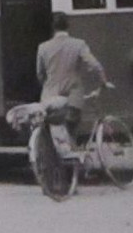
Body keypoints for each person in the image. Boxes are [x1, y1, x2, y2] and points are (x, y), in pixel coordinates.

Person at [34, 12, 113, 153]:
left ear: (53, 28)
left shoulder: (43, 47)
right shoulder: (78, 44)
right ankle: (75, 159)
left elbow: (40, 74)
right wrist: (104, 81)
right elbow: (95, 65)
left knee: (51, 125)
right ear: (68, 26)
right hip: (72, 97)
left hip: (49, 97)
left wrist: (48, 86)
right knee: (71, 125)